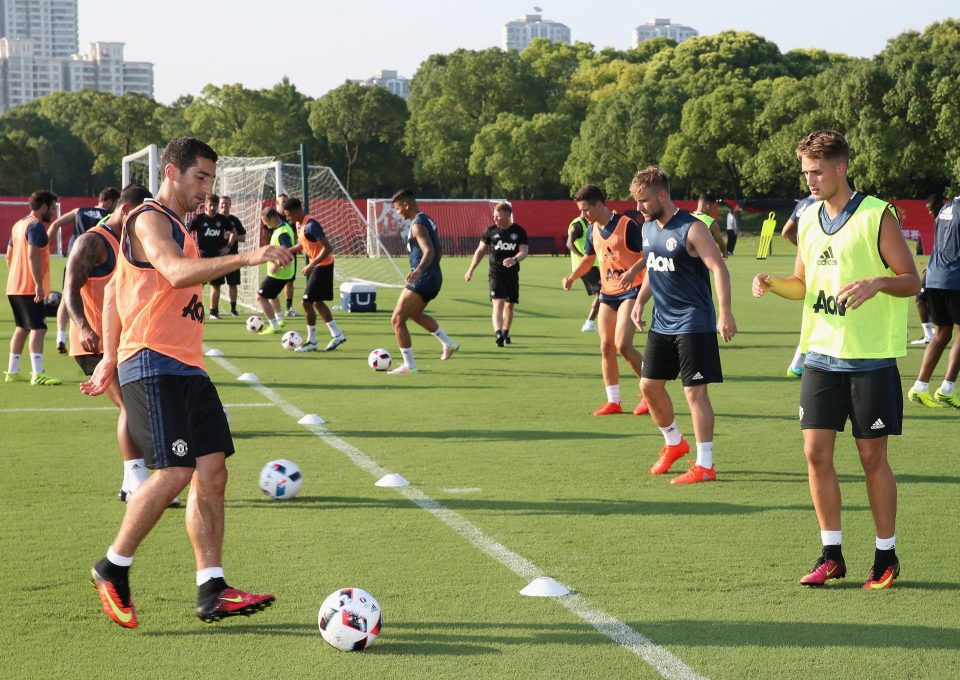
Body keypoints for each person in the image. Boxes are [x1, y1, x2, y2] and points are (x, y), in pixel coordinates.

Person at [81, 136, 291, 628]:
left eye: (211, 180)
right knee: (175, 471)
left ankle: (212, 588)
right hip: (153, 363)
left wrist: (108, 355)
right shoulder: (150, 217)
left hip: (186, 366)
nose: (207, 189)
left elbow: (114, 291)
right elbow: (174, 274)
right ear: (172, 172)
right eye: (201, 178)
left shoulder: (182, 227)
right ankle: (112, 568)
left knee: (212, 472)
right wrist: (248, 257)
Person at [753, 129, 920, 589]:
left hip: (870, 359)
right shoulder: (806, 217)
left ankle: (885, 557)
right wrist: (773, 284)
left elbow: (913, 280)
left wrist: (878, 283)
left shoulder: (875, 214)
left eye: (817, 171)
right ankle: (832, 555)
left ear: (841, 168)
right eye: (805, 171)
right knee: (815, 452)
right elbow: (803, 286)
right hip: (822, 356)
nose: (809, 180)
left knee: (871, 458)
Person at [629, 167, 735, 485]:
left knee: (694, 392)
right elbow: (653, 267)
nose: (639, 208)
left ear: (662, 195)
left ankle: (705, 465)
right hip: (662, 322)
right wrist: (639, 301)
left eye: (644, 201)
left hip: (694, 321)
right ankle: (674, 442)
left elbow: (718, 269)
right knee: (648, 386)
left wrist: (725, 313)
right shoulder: (647, 227)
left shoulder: (692, 228)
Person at [64, 183, 161, 502]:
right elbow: (70, 288)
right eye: (139, 215)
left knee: (138, 408)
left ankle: (142, 480)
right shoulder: (92, 241)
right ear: (124, 210)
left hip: (124, 342)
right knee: (130, 408)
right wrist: (82, 326)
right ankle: (136, 482)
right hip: (94, 342)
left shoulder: (129, 240)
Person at [562, 185, 648, 417]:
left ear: (599, 204)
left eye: (586, 209)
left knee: (623, 345)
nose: (583, 215)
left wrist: (632, 272)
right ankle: (614, 401)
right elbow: (589, 260)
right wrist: (572, 276)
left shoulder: (627, 226)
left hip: (631, 291)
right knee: (606, 346)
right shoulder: (592, 231)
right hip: (607, 294)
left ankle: (650, 392)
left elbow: (649, 255)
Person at [387, 188, 459, 374]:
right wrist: (433, 270)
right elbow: (439, 249)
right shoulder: (428, 219)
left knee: (396, 320)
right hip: (433, 277)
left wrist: (419, 271)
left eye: (397, 208)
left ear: (406, 204)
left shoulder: (417, 225)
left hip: (424, 278)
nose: (397, 213)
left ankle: (409, 366)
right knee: (415, 314)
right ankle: (448, 343)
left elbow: (430, 251)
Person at [47, 187, 120, 353]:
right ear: (110, 201)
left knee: (68, 296)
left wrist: (46, 246)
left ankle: (60, 337)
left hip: (76, 261)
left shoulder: (79, 210)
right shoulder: (108, 217)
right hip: (102, 262)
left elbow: (56, 223)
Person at [907, 194, 960, 409]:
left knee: (942, 333)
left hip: (935, 276)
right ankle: (947, 389)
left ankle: (920, 387)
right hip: (955, 278)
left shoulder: (947, 206)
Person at [5, 190, 61, 385]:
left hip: (13, 286)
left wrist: (16, 275)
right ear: (44, 206)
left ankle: (13, 371)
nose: (54, 213)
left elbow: (9, 256)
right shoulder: (35, 226)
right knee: (39, 328)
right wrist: (37, 284)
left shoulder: (19, 225)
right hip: (29, 287)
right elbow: (32, 255)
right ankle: (38, 373)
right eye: (52, 208)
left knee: (22, 328)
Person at [281, 197, 345, 352]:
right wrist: (288, 250)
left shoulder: (311, 225)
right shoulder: (298, 224)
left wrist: (312, 263)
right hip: (317, 266)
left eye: (289, 215)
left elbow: (328, 248)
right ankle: (337, 335)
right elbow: (303, 244)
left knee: (306, 302)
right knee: (316, 302)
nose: (288, 218)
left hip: (322, 267)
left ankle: (312, 341)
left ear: (297, 211)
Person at [464, 202, 529, 346]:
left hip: (512, 274)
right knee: (498, 304)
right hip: (495, 273)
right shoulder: (490, 231)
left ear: (507, 214)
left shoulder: (519, 231)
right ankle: (498, 334)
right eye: (494, 216)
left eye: (498, 216)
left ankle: (506, 333)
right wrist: (470, 269)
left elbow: (524, 251)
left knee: (509, 306)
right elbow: (480, 251)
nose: (495, 219)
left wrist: (515, 259)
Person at [781, 194, 817, 377]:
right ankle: (798, 363)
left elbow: (786, 231)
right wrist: (807, 248)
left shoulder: (802, 204)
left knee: (814, 310)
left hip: (810, 262)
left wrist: (802, 248)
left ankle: (798, 362)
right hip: (823, 262)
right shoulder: (823, 202)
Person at [188, 194, 235, 320]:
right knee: (199, 285)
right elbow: (186, 232)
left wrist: (228, 247)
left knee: (216, 285)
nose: (213, 208)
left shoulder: (222, 219)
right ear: (206, 206)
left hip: (218, 257)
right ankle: (194, 310)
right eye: (211, 205)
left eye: (215, 205)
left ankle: (213, 312)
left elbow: (233, 233)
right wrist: (192, 247)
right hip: (202, 256)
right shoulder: (198, 219)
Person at [909, 194, 946, 345]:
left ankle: (930, 335)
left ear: (940, 205)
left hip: (944, 269)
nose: (931, 213)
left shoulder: (948, 219)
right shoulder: (941, 220)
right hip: (938, 266)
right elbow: (939, 247)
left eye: (933, 210)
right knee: (922, 297)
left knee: (920, 297)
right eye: (929, 211)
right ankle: (930, 334)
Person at [255, 207, 297, 335]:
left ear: (273, 218)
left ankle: (274, 326)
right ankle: (279, 320)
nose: (265, 224)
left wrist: (277, 264)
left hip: (280, 273)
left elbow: (291, 252)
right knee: (272, 295)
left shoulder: (282, 232)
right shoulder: (283, 227)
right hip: (284, 273)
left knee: (260, 297)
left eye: (266, 221)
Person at [566, 214, 601, 332]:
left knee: (605, 294)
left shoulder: (591, 223)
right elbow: (569, 243)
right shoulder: (577, 225)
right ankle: (589, 323)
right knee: (603, 293)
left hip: (593, 265)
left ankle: (594, 322)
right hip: (585, 267)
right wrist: (583, 257)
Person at [218, 196, 246, 317]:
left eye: (227, 203)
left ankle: (233, 309)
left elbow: (243, 238)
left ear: (230, 205)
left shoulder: (234, 220)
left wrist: (231, 236)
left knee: (233, 283)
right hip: (217, 256)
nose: (224, 205)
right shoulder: (214, 219)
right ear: (219, 205)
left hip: (233, 256)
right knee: (216, 284)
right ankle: (214, 310)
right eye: (222, 203)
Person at [276, 193, 297, 317]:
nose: (285, 204)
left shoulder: (291, 219)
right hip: (277, 254)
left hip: (290, 254)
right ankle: (274, 308)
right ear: (277, 203)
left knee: (290, 282)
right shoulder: (274, 218)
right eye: (282, 201)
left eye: (286, 201)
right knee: (275, 281)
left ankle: (289, 307)